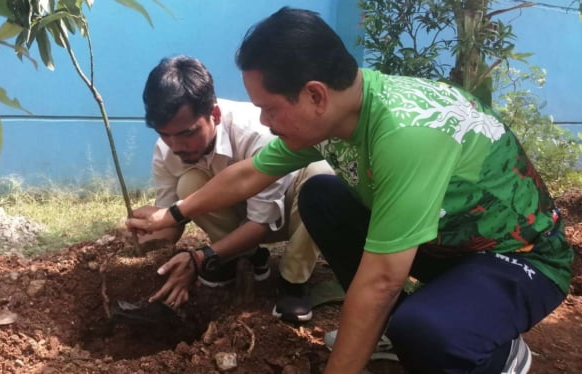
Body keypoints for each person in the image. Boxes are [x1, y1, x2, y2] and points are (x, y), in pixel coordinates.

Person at [126, 7, 573, 374]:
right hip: (446, 246)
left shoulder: (404, 134)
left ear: (315, 95)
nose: (263, 122)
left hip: (517, 258)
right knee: (321, 194)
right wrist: (175, 215)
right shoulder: (339, 115)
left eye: (269, 109)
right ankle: (389, 330)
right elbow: (247, 175)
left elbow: (380, 281)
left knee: (427, 334)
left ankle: (498, 357)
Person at [134, 55, 333, 322]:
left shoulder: (256, 133)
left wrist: (199, 258)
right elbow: (172, 218)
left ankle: (293, 282)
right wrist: (147, 245)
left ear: (214, 114)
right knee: (188, 183)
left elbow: (259, 223)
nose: (176, 145)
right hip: (241, 215)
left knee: (321, 177)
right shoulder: (167, 151)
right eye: (164, 134)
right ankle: (244, 256)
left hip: (287, 210)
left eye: (187, 133)